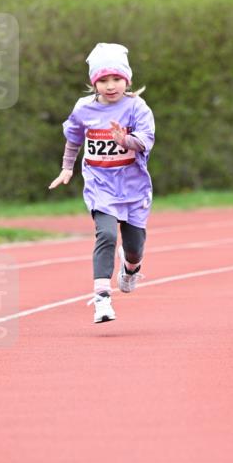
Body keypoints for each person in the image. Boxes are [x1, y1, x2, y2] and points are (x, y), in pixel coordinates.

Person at [49, 43, 155, 323]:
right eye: (103, 80)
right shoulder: (84, 109)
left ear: (127, 80)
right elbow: (73, 137)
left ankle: (131, 269)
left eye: (117, 79)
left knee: (134, 247)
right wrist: (66, 168)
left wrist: (125, 141)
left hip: (133, 187)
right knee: (106, 235)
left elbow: (146, 141)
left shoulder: (137, 108)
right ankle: (102, 300)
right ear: (94, 83)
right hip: (101, 185)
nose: (111, 86)